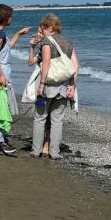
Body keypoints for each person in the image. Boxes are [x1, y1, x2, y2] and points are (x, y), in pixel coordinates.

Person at [29, 14, 77, 161]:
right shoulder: (68, 42)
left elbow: (47, 63)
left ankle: (36, 150)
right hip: (63, 85)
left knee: (40, 118)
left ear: (49, 27)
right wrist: (72, 85)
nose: (41, 31)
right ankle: (54, 152)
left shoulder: (46, 41)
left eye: (43, 28)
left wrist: (41, 84)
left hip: (48, 85)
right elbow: (75, 65)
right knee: (57, 120)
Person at [0, 4, 27, 157]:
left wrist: (19, 34)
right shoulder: (0, 35)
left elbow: (6, 48)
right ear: (5, 17)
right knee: (0, 105)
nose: (11, 18)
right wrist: (1, 75)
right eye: (10, 16)